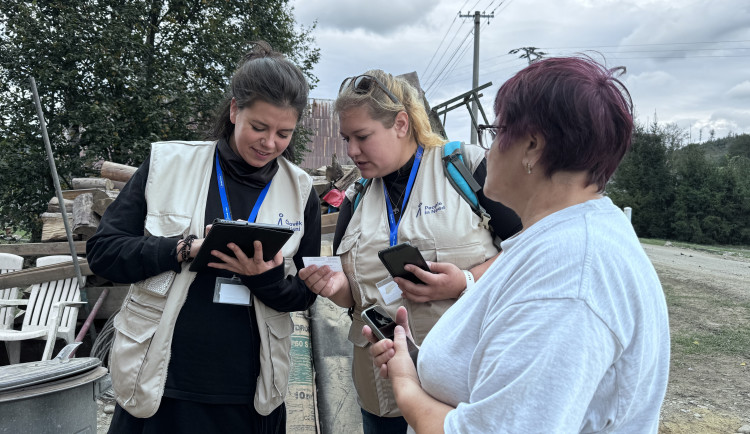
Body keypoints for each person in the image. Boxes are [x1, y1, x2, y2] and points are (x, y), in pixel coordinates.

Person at [366, 55, 671, 433]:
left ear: (531, 146)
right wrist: (414, 358)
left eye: (496, 132)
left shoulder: (570, 276)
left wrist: (405, 384)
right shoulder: (557, 240)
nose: (489, 148)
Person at [86, 41, 320, 434]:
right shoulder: (168, 165)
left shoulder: (300, 191)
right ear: (233, 111)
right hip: (161, 386)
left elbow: (303, 294)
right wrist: (185, 248)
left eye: (284, 133)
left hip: (252, 393)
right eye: (259, 128)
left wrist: (263, 279)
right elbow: (104, 253)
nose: (270, 144)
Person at [299, 70, 522, 433]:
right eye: (345, 138)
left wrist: (465, 281)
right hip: (381, 386)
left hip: (462, 386)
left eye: (362, 137)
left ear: (401, 124)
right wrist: (333, 286)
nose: (351, 151)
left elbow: (530, 253)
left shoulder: (464, 168)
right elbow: (353, 297)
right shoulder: (354, 199)